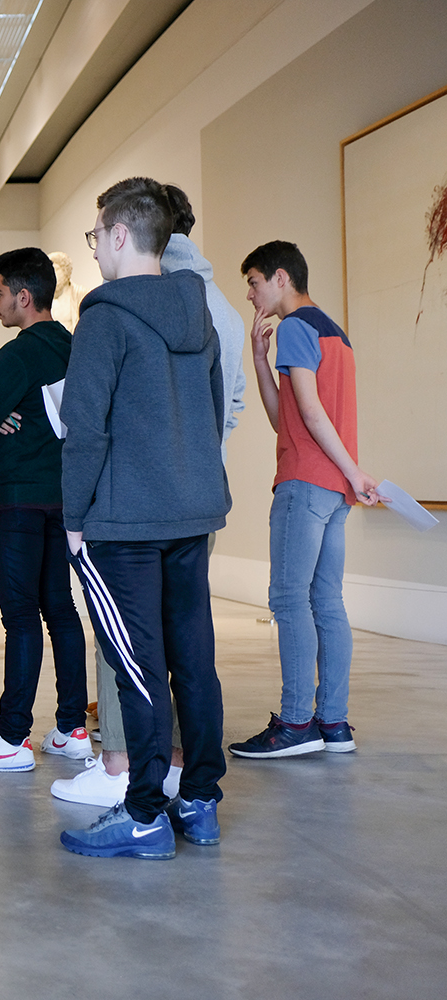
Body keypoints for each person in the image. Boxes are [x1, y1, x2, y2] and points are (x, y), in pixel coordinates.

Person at [53, 182, 249, 806]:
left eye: (95, 238)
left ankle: (142, 811)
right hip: (193, 511)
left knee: (136, 669)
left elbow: (85, 430)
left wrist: (74, 517)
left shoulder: (103, 319)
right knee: (193, 659)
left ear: (117, 234)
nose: (94, 253)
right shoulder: (201, 311)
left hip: (124, 524)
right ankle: (201, 801)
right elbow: (214, 412)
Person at [229, 240, 381, 759]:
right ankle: (333, 723)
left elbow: (312, 415)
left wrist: (353, 470)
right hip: (333, 492)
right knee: (327, 603)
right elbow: (285, 418)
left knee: (289, 600)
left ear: (279, 278)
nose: (250, 294)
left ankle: (295, 723)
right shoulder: (335, 334)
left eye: (252, 282)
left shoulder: (295, 326)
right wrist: (258, 359)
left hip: (304, 483)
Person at [0, 248, 88, 773]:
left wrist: (4, 415)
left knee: (22, 617)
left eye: (0, 292)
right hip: (65, 498)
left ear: (23, 298)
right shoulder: (75, 348)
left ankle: (10, 739)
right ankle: (73, 728)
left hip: (18, 501)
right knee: (61, 609)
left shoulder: (15, 356)